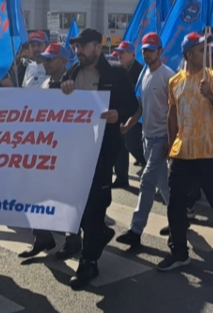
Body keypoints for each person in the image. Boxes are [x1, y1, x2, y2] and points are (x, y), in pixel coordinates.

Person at [58, 28, 137, 288]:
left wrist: (118, 113)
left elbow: (132, 105)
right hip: (75, 150)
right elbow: (60, 106)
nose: (78, 52)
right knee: (76, 205)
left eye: (83, 47)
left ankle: (88, 262)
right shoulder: (73, 73)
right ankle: (101, 233)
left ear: (97, 46)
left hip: (103, 151)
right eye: (76, 48)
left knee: (95, 206)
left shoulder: (116, 73)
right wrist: (63, 88)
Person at [159, 32, 213, 272]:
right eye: (200, 50)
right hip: (182, 150)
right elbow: (172, 113)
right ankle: (179, 251)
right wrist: (170, 141)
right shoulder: (175, 81)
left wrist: (209, 94)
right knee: (176, 201)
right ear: (188, 54)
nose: (207, 54)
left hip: (208, 149)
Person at [18, 42, 81, 259]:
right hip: (43, 151)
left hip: (64, 154)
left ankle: (73, 240)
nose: (44, 62)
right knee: (35, 194)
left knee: (65, 197)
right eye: (43, 58)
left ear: (63, 62)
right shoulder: (45, 84)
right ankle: (42, 237)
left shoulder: (71, 86)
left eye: (49, 59)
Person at [116, 33, 176, 247]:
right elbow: (140, 108)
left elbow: (175, 110)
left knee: (147, 182)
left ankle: (135, 230)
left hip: (162, 138)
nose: (148, 54)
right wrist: (128, 126)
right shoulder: (144, 75)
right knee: (163, 185)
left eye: (151, 50)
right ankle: (178, 220)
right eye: (145, 50)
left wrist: (171, 139)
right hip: (147, 138)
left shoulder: (169, 76)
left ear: (160, 51)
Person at [113, 40, 145, 188]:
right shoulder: (120, 70)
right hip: (122, 112)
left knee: (132, 143)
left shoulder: (139, 70)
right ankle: (121, 178)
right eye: (118, 52)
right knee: (120, 147)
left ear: (132, 54)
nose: (119, 55)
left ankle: (147, 164)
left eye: (122, 52)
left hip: (136, 114)